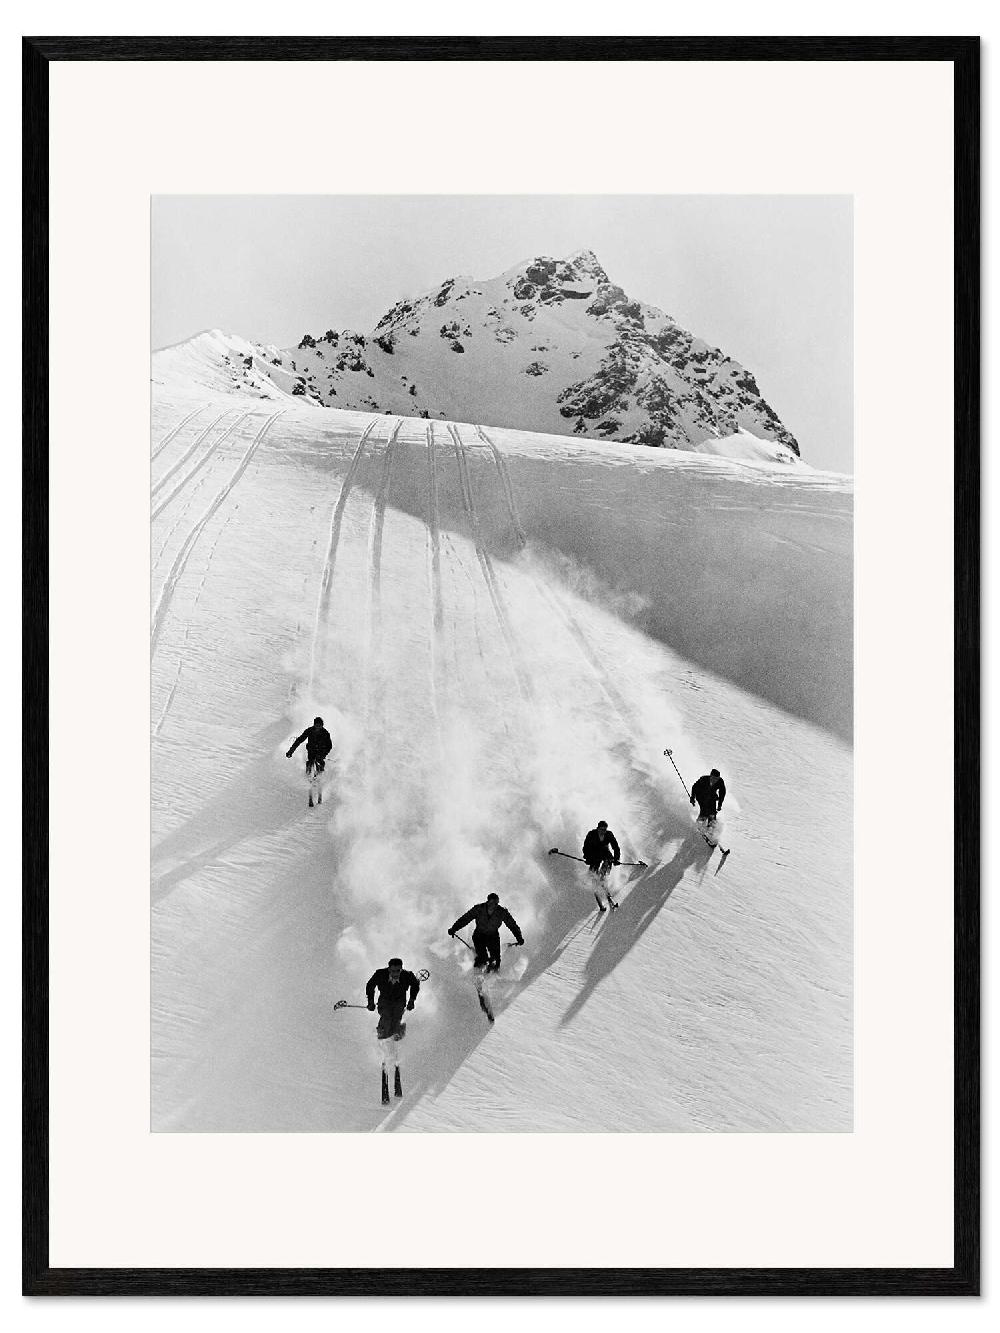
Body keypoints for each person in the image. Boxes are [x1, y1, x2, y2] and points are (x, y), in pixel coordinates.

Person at [448, 893, 524, 973]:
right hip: (479, 935)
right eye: (490, 903)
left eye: (495, 904)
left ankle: (493, 972)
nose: (492, 906)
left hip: (493, 936)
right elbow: (466, 918)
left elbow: (512, 925)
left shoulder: (501, 912)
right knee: (482, 957)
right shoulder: (478, 909)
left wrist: (519, 937)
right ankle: (478, 972)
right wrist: (454, 928)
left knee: (495, 959)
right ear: (487, 902)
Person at [366, 958, 420, 1041]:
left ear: (401, 969)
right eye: (392, 971)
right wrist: (370, 1001)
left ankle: (398, 1030)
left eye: (398, 971)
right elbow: (370, 985)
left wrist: (411, 1001)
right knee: (386, 1016)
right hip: (384, 1001)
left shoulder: (407, 975)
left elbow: (415, 985)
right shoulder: (380, 974)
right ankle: (382, 1031)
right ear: (389, 969)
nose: (395, 973)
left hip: (399, 1001)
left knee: (396, 1019)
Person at [286, 716, 333, 807]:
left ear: (322, 726)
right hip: (311, 753)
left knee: (320, 766)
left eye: (320, 726)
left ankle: (320, 782)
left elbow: (329, 746)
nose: (318, 728)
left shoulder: (325, 733)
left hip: (321, 753)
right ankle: (309, 780)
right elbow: (299, 740)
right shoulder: (309, 731)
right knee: (309, 765)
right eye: (316, 726)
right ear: (314, 725)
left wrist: (323, 754)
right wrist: (290, 751)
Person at [582, 821, 621, 911]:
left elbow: (615, 847)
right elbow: (585, 847)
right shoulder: (591, 834)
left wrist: (616, 859)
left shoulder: (609, 834)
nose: (603, 831)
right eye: (601, 829)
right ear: (598, 828)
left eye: (605, 829)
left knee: (603, 874)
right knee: (593, 875)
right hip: (594, 856)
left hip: (605, 854)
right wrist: (587, 858)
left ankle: (603, 880)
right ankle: (599, 900)